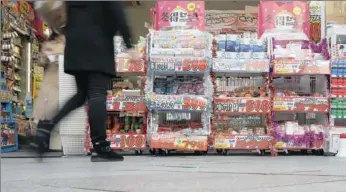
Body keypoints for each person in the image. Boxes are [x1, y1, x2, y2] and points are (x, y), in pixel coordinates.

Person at [31, 1, 139, 162]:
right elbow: (118, 13)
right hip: (97, 44)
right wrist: (129, 45)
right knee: (97, 93)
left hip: (75, 45)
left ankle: (47, 127)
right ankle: (100, 146)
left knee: (81, 95)